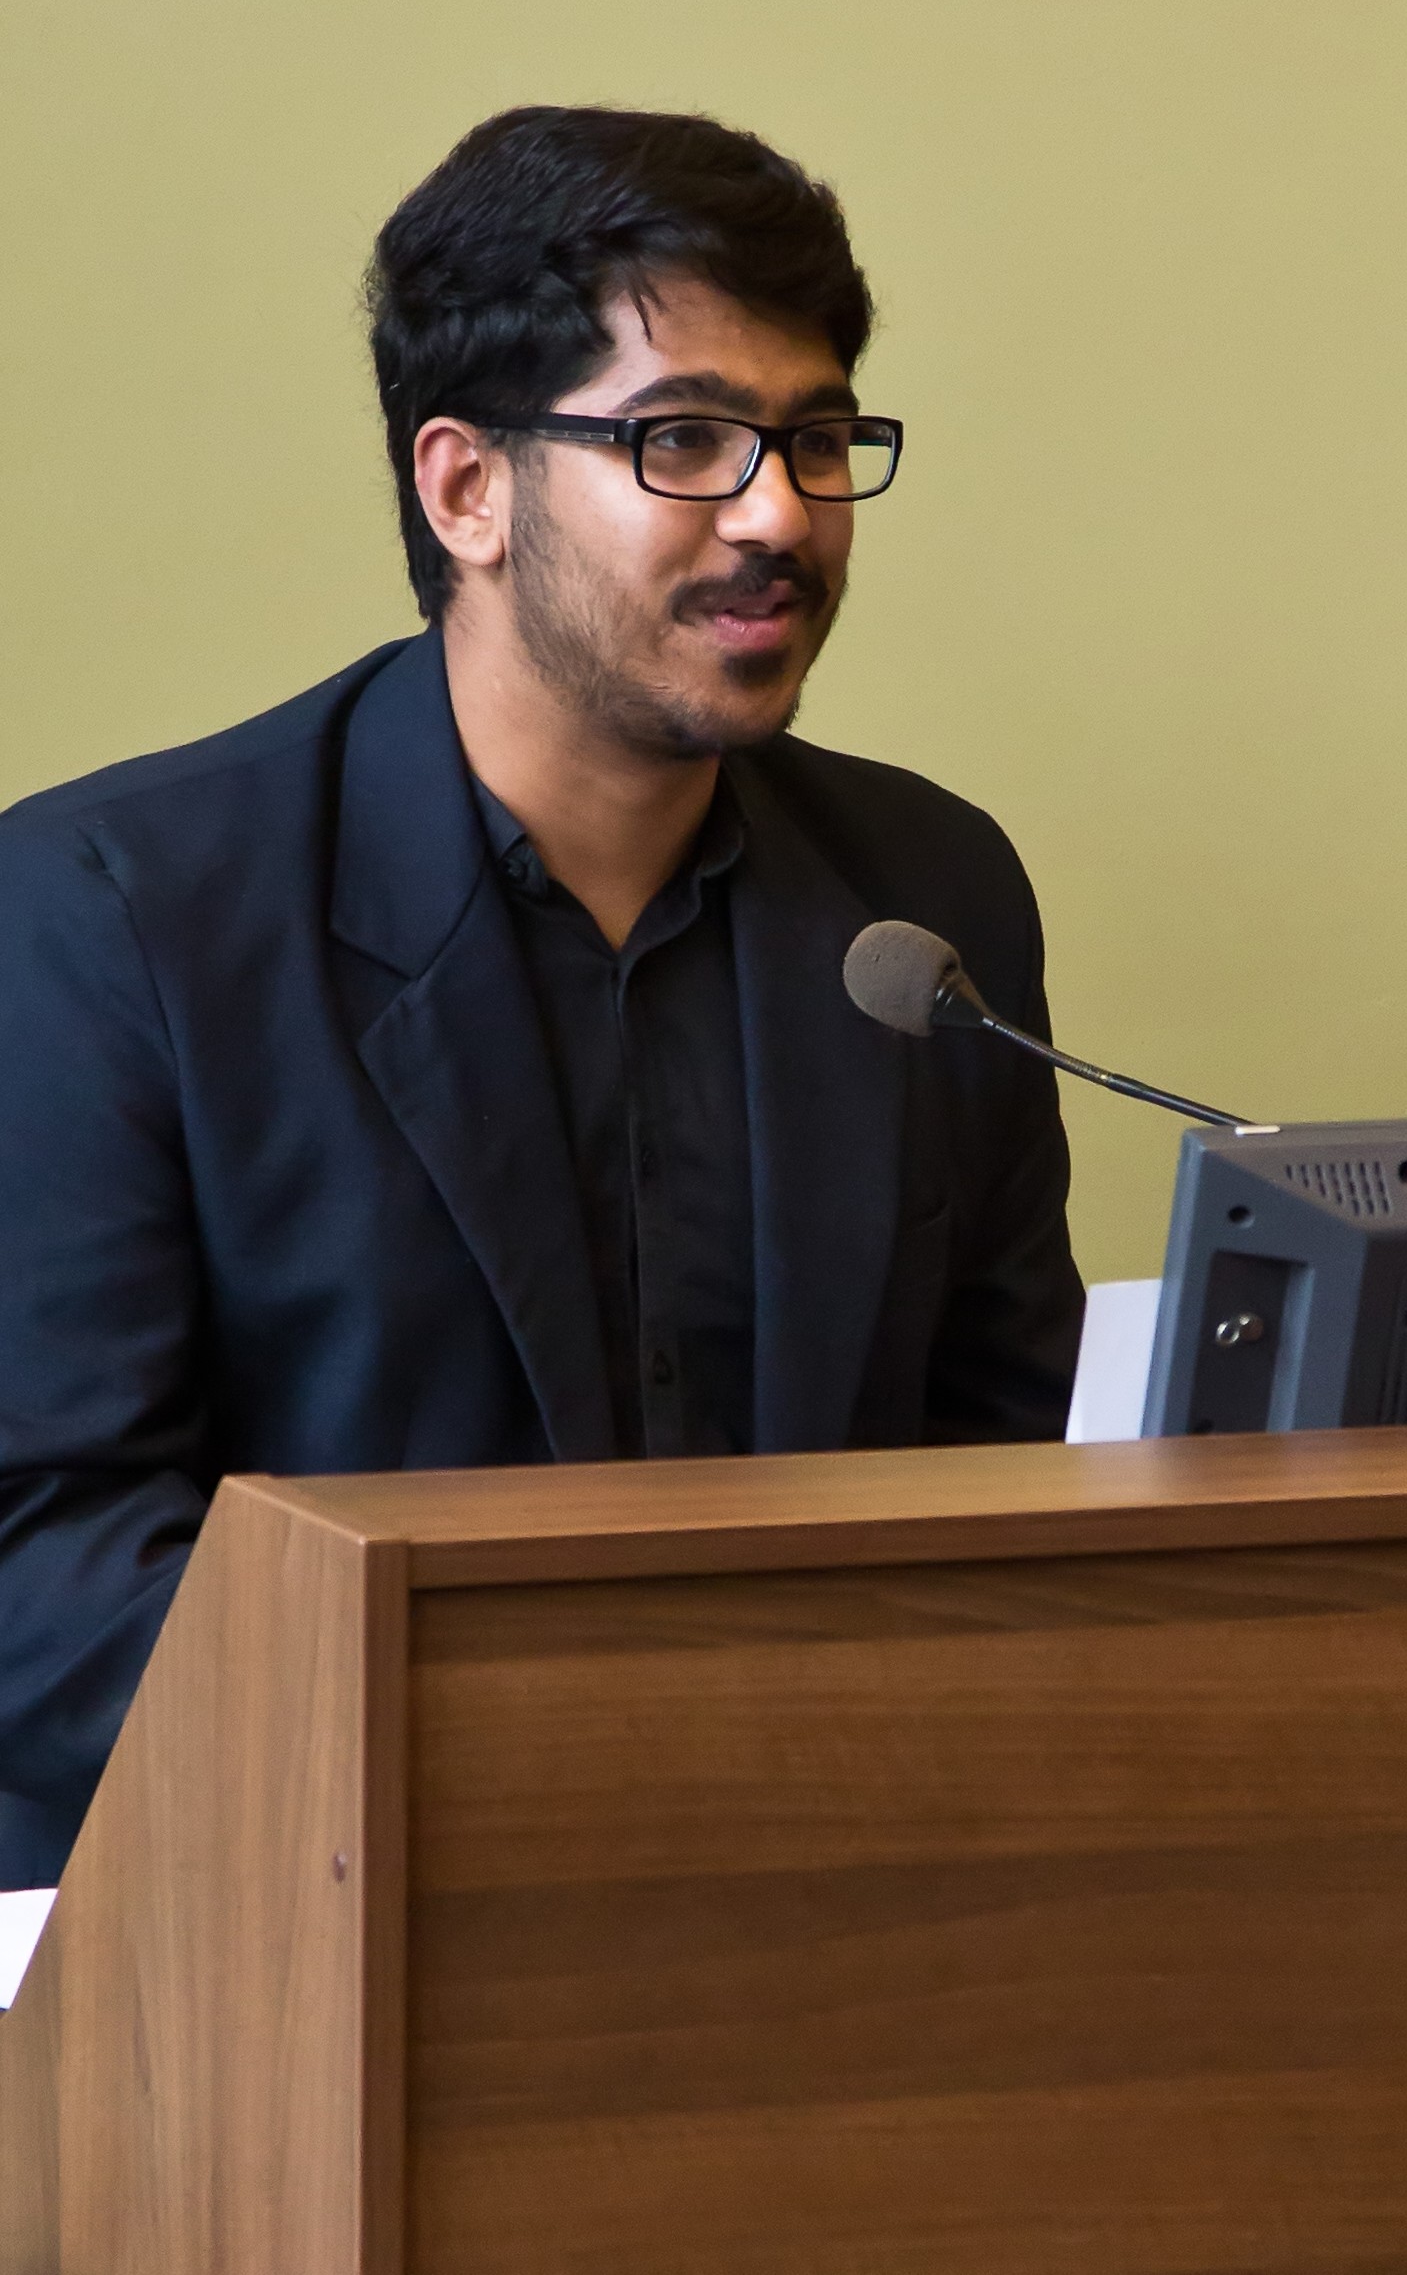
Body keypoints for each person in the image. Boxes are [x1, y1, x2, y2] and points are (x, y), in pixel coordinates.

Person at [0, 106, 1083, 1887]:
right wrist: (574, 1779)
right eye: (684, 439)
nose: (779, 514)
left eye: (820, 440)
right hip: (287, 1906)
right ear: (466, 489)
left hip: (824, 1893)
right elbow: (43, 1565)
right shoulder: (111, 918)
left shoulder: (926, 900)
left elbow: (993, 1456)